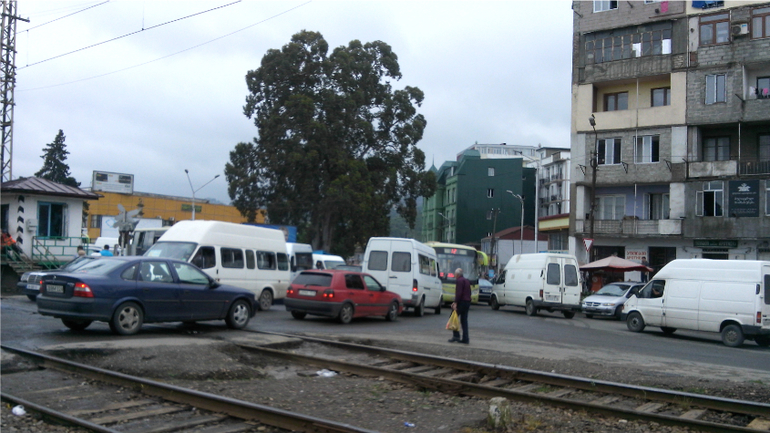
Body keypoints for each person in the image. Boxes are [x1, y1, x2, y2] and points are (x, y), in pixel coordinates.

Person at [448, 267, 471, 344]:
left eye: (455, 274)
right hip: (467, 302)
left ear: (457, 274)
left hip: (461, 302)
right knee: (464, 321)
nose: (454, 275)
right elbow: (469, 292)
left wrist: (455, 302)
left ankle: (456, 336)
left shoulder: (459, 281)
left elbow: (459, 293)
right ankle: (465, 338)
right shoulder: (466, 281)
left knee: (453, 317)